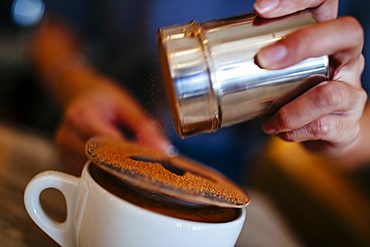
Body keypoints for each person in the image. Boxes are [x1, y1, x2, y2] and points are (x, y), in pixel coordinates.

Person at [30, 0, 369, 180]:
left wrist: (340, 129)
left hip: (220, 178)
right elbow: (54, 28)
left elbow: (362, 120)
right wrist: (73, 81)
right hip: (87, 139)